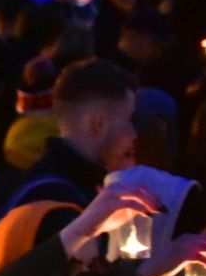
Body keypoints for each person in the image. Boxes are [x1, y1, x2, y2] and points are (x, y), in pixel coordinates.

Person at [10, 58, 137, 208]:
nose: (133, 133)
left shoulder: (49, 185)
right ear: (99, 123)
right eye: (128, 120)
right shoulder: (57, 202)